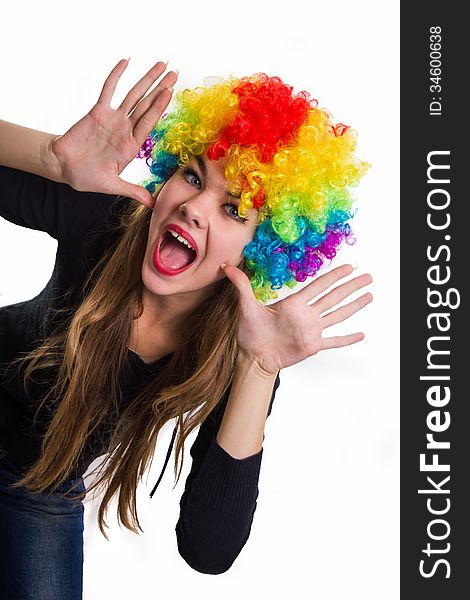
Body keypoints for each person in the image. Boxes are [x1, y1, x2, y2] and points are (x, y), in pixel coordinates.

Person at [0, 58, 372, 598]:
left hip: (41, 488)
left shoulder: (240, 348)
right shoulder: (106, 221)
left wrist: (259, 367)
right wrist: (52, 160)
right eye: (193, 176)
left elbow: (208, 550)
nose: (194, 208)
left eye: (233, 209)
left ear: (262, 251)